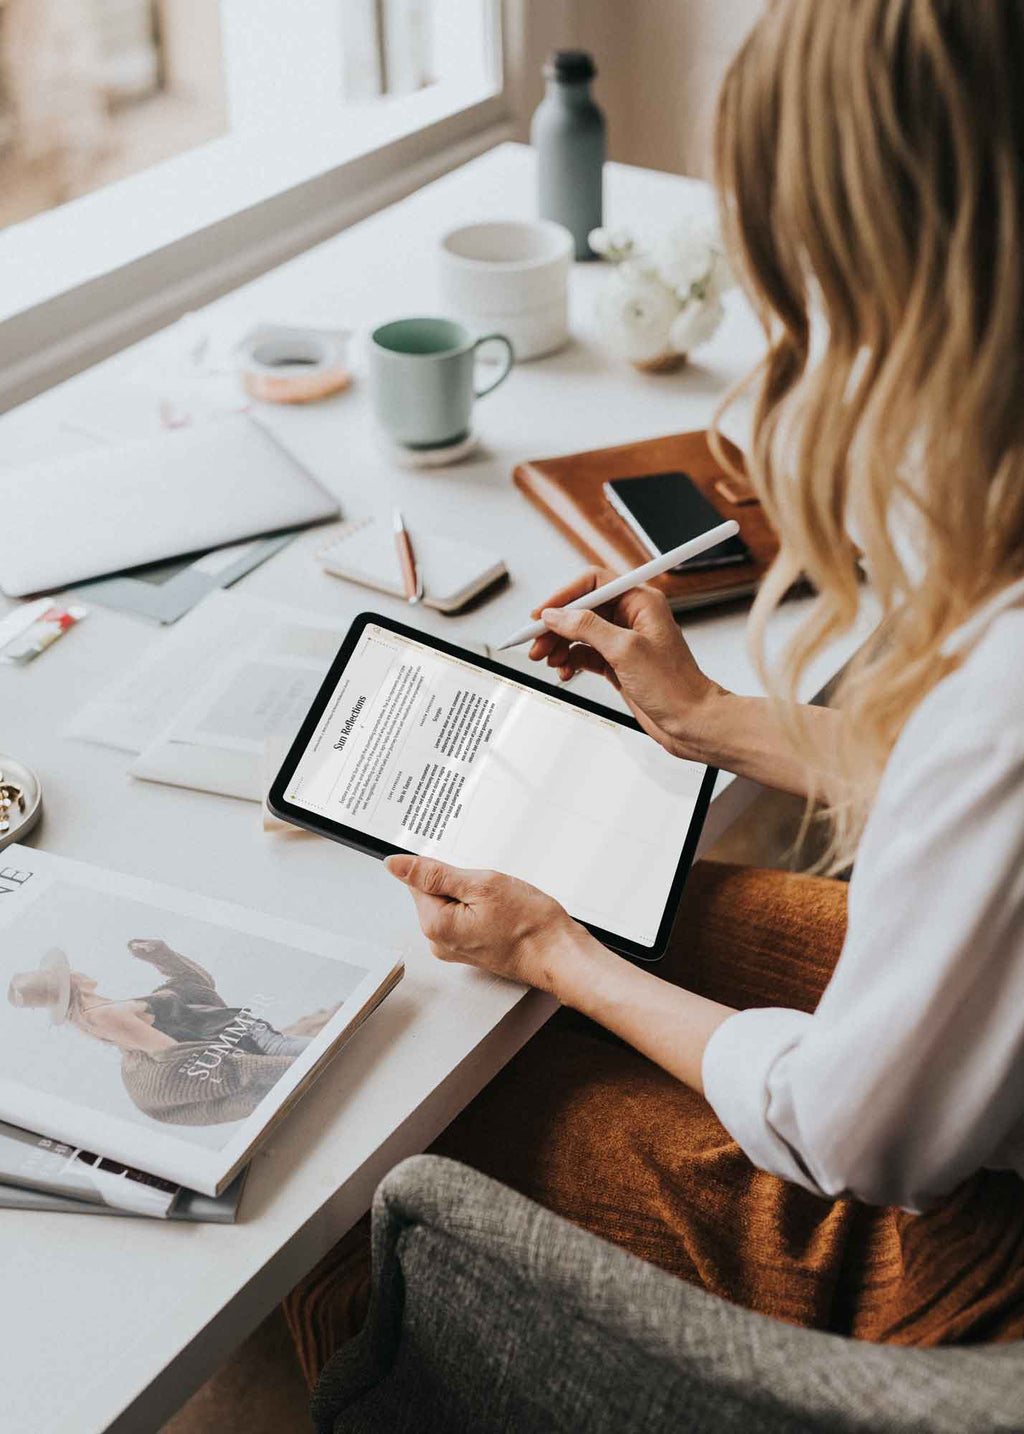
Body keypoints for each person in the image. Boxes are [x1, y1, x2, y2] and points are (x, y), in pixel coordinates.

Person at [285, 0, 1024, 1382]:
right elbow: (977, 796)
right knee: (672, 912)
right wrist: (711, 720)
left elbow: (858, 1137)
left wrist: (555, 956)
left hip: (975, 1264)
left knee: (403, 1146)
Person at [8, 939, 321, 1126]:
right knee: (336, 1055)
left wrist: (160, 956)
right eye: (66, 973)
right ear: (70, 983)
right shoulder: (105, 1015)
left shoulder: (100, 1013)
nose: (75, 970)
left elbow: (193, 987)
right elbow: (168, 1049)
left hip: (252, 1035)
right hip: (256, 1042)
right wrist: (253, 1065)